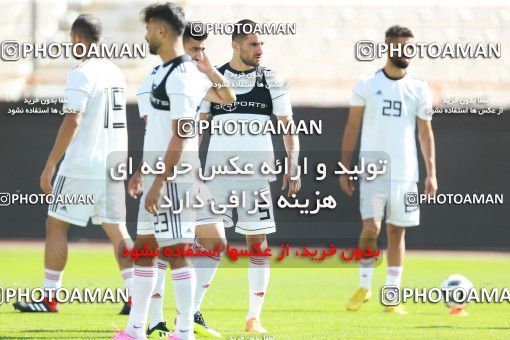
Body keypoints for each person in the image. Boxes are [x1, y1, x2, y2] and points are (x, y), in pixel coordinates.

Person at [114, 3, 234, 339]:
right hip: (161, 172)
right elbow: (158, 130)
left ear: (161, 30)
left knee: (175, 251)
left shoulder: (183, 76)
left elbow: (187, 128)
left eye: (149, 27)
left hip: (175, 176)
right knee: (149, 248)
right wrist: (142, 172)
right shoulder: (162, 75)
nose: (146, 34)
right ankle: (139, 328)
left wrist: (160, 182)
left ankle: (181, 330)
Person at [13, 14, 133, 315]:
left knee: (55, 224)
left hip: (83, 165)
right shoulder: (114, 72)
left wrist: (50, 164)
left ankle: (49, 297)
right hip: (113, 163)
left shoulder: (82, 72)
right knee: (118, 229)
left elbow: (73, 119)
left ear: (78, 40)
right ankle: (137, 296)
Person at [199, 19, 301, 333]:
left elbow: (287, 125)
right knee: (208, 243)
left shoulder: (271, 79)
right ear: (236, 44)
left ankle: (253, 318)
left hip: (255, 178)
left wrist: (292, 165)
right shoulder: (215, 78)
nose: (259, 49)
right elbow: (199, 125)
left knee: (258, 243)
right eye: (253, 44)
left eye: (261, 44)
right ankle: (191, 312)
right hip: (217, 175)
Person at [340, 25, 437, 314]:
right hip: (372, 170)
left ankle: (392, 295)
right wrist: (344, 168)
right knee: (371, 227)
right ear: (388, 47)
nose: (406, 52)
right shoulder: (366, 84)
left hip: (406, 173)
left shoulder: (419, 88)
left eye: (410, 47)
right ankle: (364, 285)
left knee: (397, 232)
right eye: (401, 46)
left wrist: (431, 172)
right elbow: (352, 126)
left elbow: (425, 132)